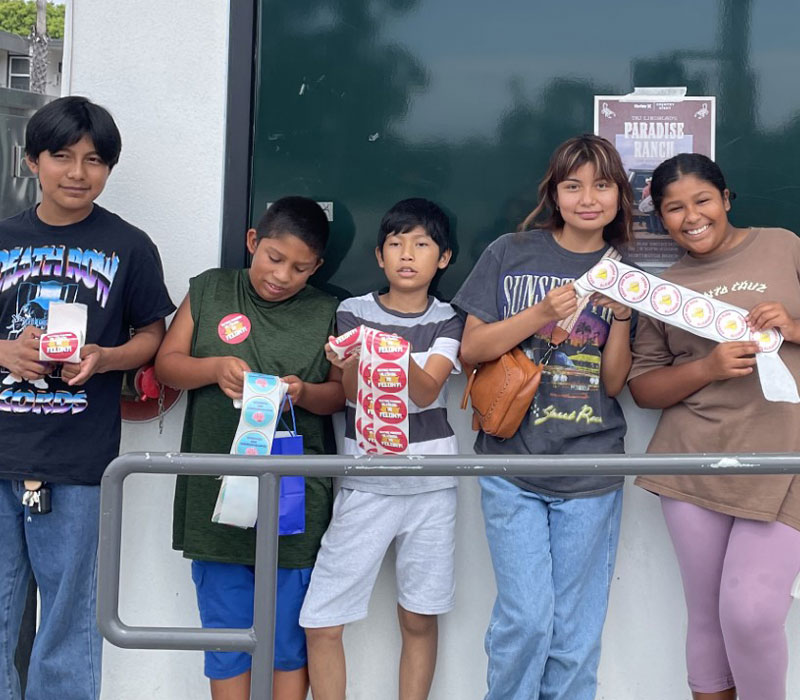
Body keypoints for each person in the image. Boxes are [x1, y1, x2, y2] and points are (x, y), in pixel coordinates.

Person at [0, 96, 175, 700]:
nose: (78, 172)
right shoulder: (1, 239)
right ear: (31, 162)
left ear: (108, 169)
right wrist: (3, 352)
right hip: (0, 454)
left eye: (94, 160)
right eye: (62, 156)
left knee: (71, 621)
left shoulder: (130, 245)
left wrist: (107, 358)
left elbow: (153, 333)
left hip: (79, 462)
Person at [452, 134, 635, 700]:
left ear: (619, 195)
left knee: (575, 635)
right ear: (553, 194)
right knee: (525, 620)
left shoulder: (627, 270)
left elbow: (613, 384)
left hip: (592, 471)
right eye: (573, 185)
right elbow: (471, 350)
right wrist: (540, 312)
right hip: (512, 468)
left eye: (602, 185)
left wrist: (624, 319)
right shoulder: (511, 252)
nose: (588, 198)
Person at [155, 197, 344, 700]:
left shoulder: (330, 311)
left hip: (295, 503)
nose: (282, 275)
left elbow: (340, 396)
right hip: (213, 501)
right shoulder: (213, 289)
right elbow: (167, 365)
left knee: (288, 639)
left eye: (301, 268)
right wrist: (214, 368)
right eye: (274, 258)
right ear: (252, 242)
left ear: (317, 268)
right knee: (225, 633)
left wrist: (305, 393)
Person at [628, 153, 800, 700]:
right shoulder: (663, 288)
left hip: (786, 458)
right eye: (672, 208)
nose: (690, 216)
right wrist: (708, 367)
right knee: (706, 616)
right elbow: (644, 388)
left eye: (702, 200)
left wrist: (793, 327)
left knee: (749, 613)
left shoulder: (783, 245)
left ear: (726, 199)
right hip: (694, 463)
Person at [299, 198, 463, 700]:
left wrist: (381, 348)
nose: (407, 254)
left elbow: (426, 391)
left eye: (421, 244)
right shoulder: (352, 311)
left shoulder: (449, 318)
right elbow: (349, 390)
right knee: (322, 619)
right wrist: (353, 355)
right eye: (395, 244)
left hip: (431, 483)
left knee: (419, 617)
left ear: (445, 259)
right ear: (378, 256)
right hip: (364, 479)